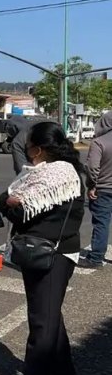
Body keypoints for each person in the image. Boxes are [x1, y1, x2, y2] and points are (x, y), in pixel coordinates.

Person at [0, 121, 84, 375]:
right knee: (50, 315)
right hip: (55, 251)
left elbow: (23, 211)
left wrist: (5, 201)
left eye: (30, 145)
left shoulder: (54, 174)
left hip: (49, 254)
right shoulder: (65, 170)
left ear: (40, 148)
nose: (27, 150)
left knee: (41, 320)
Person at [83, 111, 112, 269]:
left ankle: (96, 258)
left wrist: (91, 185)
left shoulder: (99, 142)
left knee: (102, 223)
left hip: (103, 189)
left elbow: (92, 168)